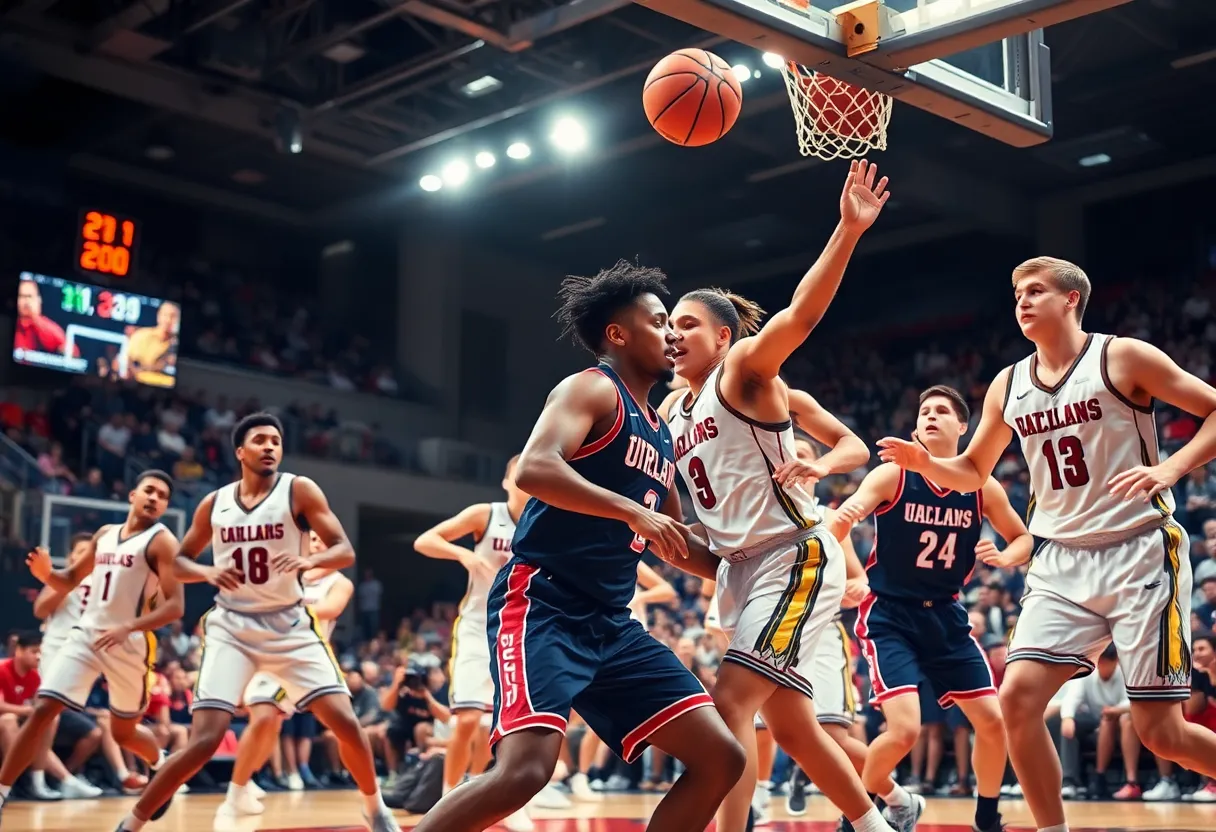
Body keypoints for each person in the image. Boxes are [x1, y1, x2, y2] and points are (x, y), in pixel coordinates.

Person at [877, 256, 1216, 832]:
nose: (1023, 302)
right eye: (1016, 294)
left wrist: (1172, 468)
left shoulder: (1122, 357)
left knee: (1162, 734)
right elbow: (972, 471)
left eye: (1036, 291)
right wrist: (926, 462)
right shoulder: (1008, 384)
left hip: (1138, 550)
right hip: (1058, 557)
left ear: (1072, 300)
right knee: (1017, 702)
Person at [412, 260, 744, 832]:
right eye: (659, 321)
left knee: (721, 757)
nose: (671, 334)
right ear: (618, 334)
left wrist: (755, 570)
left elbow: (670, 541)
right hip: (543, 603)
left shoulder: (660, 430)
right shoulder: (591, 387)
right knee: (524, 773)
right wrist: (632, 509)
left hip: (611, 623)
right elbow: (535, 469)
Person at [662, 159, 892, 832]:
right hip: (742, 567)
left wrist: (847, 231)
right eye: (668, 326)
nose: (674, 335)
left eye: (688, 324)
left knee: (730, 702)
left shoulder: (742, 373)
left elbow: (802, 314)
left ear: (726, 336)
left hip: (793, 554)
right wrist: (662, 536)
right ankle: (877, 825)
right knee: (791, 725)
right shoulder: (672, 414)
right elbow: (705, 530)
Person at [113, 413, 398, 832]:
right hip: (233, 626)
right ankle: (131, 824)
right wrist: (207, 572)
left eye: (276, 441)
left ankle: (376, 810)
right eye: (260, 440)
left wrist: (309, 559)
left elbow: (343, 550)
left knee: (345, 723)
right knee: (204, 741)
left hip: (289, 626)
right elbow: (180, 561)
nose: (270, 447)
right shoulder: (215, 503)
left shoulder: (299, 490)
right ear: (240, 452)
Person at [834, 385, 1031, 832]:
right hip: (890, 615)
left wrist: (1005, 555)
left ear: (963, 427)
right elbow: (844, 517)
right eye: (924, 410)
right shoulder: (893, 476)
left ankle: (986, 816)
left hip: (945, 615)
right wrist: (852, 570)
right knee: (905, 731)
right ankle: (859, 816)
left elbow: (1024, 538)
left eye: (942, 411)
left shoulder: (983, 486)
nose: (931, 416)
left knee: (993, 721)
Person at [0, 471, 183, 817]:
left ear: (165, 507)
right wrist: (46, 576)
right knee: (43, 710)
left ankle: (160, 763)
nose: (155, 498)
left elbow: (176, 607)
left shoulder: (162, 542)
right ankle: (1, 791)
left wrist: (129, 625)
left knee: (123, 733)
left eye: (162, 495)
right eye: (149, 490)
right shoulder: (105, 535)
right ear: (132, 495)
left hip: (129, 644)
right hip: (87, 634)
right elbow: (69, 579)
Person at [218, 530, 355, 816]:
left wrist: (283, 603)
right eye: (311, 538)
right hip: (268, 654)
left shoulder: (340, 583)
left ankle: (247, 777)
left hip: (304, 661)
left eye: (322, 541)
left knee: (276, 723)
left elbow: (329, 609)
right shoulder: (284, 576)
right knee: (264, 716)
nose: (315, 543)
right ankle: (238, 787)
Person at [412, 456, 526, 796]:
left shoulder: (546, 524)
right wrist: (463, 554)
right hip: (478, 626)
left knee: (501, 728)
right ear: (506, 482)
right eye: (516, 476)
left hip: (520, 629)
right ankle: (448, 798)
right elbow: (425, 541)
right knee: (466, 721)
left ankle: (479, 794)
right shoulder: (486, 515)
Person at [0, 631, 101, 801]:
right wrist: (27, 711)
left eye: (41, 652)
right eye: (34, 651)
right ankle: (21, 781)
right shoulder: (2, 669)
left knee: (49, 719)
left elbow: (37, 705)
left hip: (19, 718)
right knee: (8, 720)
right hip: (7, 718)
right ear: (18, 650)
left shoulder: (35, 675)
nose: (39, 657)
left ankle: (42, 781)